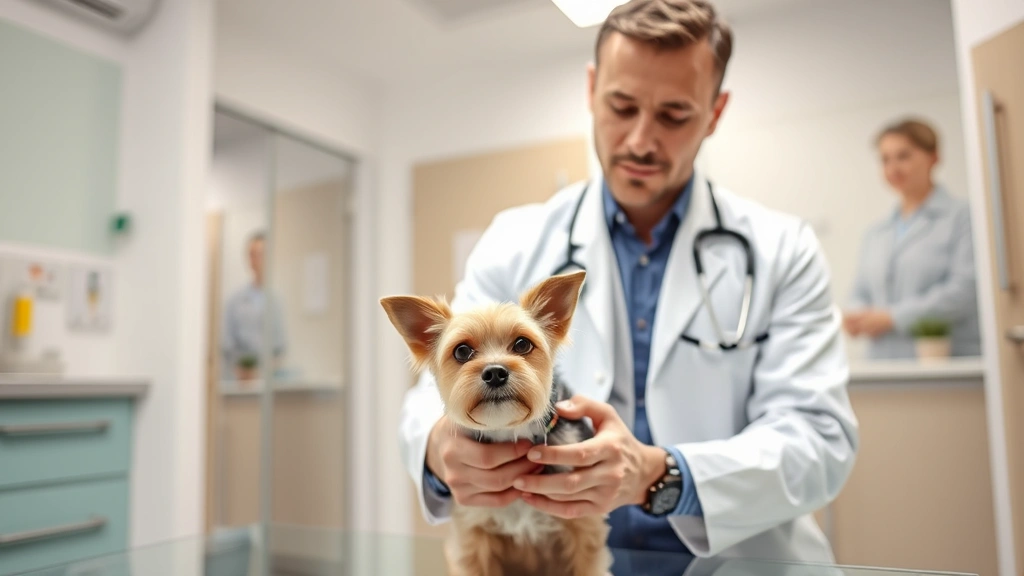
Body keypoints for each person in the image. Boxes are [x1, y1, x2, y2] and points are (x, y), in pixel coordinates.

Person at [397, 0, 859, 564]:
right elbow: (432, 388)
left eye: (674, 115)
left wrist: (661, 475)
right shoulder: (514, 238)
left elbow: (819, 439)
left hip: (736, 560)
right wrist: (438, 450)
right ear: (592, 90)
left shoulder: (784, 250)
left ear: (715, 113)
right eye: (622, 106)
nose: (640, 140)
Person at [844, 119, 981, 359]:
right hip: (882, 362)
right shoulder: (875, 233)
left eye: (903, 156)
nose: (893, 168)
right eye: (885, 159)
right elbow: (860, 292)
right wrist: (856, 316)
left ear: (933, 157)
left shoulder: (963, 217)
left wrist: (892, 318)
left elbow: (964, 291)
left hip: (944, 362)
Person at [221, 231, 287, 380]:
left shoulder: (276, 301)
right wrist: (243, 370)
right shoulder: (234, 301)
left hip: (268, 380)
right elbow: (227, 346)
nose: (256, 259)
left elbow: (280, 346)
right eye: (252, 254)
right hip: (239, 381)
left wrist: (264, 371)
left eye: (261, 254)